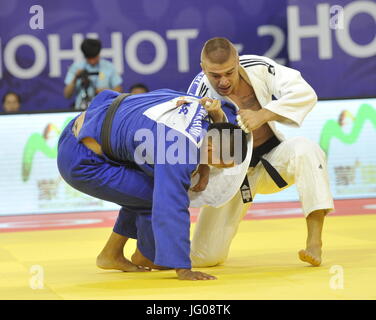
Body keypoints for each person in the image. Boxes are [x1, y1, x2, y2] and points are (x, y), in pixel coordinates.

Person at [57, 88, 248, 280]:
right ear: (210, 147)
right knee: (154, 195)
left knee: (141, 188)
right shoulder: (178, 152)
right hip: (82, 160)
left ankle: (111, 254)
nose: (218, 168)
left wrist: (205, 163)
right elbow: (172, 207)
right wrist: (183, 268)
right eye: (219, 163)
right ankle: (146, 256)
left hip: (88, 123)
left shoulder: (204, 107)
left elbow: (225, 125)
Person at [187, 37, 334, 268]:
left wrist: (264, 114)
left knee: (307, 149)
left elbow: (305, 93)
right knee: (204, 258)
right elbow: (195, 144)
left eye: (229, 72)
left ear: (237, 62)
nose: (223, 81)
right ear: (203, 68)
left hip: (273, 162)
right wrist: (204, 168)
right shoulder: (198, 94)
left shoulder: (258, 66)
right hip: (233, 177)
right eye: (215, 75)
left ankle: (314, 240)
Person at [64, 39, 123, 110]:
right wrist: (75, 78)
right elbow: (67, 95)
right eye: (89, 58)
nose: (92, 62)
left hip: (104, 110)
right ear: (85, 56)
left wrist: (108, 92)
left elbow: (119, 91)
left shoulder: (109, 67)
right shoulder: (76, 67)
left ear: (99, 53)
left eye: (94, 57)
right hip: (82, 111)